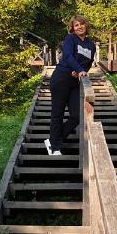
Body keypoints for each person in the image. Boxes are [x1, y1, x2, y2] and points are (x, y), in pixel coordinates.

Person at [45, 15, 96, 156]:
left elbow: (89, 62)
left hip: (74, 82)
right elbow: (68, 56)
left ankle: (53, 139)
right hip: (61, 78)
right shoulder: (70, 39)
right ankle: (55, 147)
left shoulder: (90, 45)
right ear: (73, 28)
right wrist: (78, 69)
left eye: (81, 24)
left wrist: (82, 70)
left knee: (77, 115)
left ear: (86, 25)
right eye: (76, 25)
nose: (79, 27)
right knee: (58, 114)